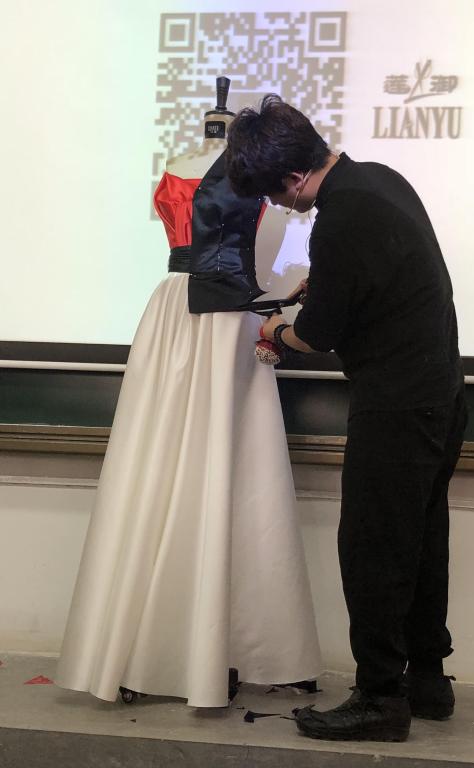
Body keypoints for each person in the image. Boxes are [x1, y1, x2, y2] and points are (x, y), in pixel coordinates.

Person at [55, 83, 322, 709]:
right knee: (181, 465)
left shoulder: (203, 166)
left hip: (207, 320)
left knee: (231, 468)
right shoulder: (191, 165)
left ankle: (222, 645)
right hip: (202, 317)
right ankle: (166, 646)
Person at [226, 94, 467, 742]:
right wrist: (324, 282)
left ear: (291, 176)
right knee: (420, 544)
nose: (282, 207)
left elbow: (318, 334)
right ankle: (427, 681)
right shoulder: (377, 180)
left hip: (396, 403)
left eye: (276, 196)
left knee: (372, 551)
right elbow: (378, 279)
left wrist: (277, 330)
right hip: (441, 394)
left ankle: (380, 699)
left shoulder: (340, 217)